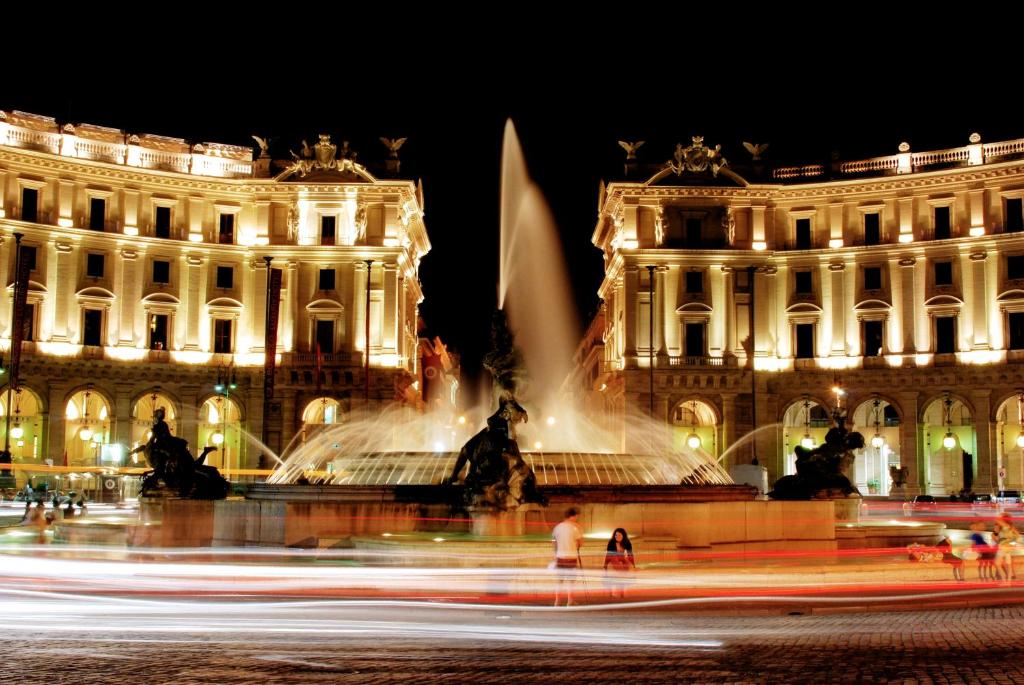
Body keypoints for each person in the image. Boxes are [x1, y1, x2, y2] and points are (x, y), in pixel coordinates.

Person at [551, 507, 583, 606]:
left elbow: (554, 543)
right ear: (573, 516)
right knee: (571, 581)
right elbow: (580, 543)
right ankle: (570, 601)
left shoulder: (557, 527)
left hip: (560, 557)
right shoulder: (574, 528)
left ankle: (557, 601)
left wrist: (556, 555)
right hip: (571, 557)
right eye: (577, 516)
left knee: (559, 581)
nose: (577, 518)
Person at [603, 528, 637, 598]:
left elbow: (630, 554)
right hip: (612, 558)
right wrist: (605, 564)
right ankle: (611, 591)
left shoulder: (627, 542)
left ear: (623, 536)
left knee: (627, 565)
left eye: (619, 535)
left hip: (621, 558)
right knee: (613, 568)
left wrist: (633, 564)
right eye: (616, 535)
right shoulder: (611, 542)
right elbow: (609, 554)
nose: (617, 537)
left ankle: (622, 590)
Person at [994, 513, 1020, 581]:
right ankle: (1008, 581)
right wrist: (1012, 544)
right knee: (1008, 564)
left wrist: (1002, 514)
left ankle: (1004, 579)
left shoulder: (1005, 526)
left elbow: (997, 519)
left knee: (997, 563)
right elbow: (1018, 536)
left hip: (1003, 547)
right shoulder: (1011, 527)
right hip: (1008, 548)